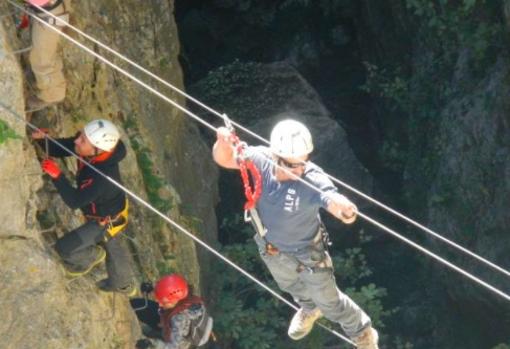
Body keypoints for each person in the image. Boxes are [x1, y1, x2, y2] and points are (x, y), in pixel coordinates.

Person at [212, 119, 379, 348]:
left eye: (303, 162)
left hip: (307, 254)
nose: (299, 169)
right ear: (276, 157)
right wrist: (222, 142)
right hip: (272, 249)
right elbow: (225, 158)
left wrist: (345, 210)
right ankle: (310, 309)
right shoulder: (261, 160)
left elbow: (330, 197)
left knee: (329, 301)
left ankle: (362, 332)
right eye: (292, 166)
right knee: (289, 285)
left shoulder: (311, 178)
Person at [33, 119, 134, 294]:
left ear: (98, 149)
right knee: (111, 244)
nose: (77, 141)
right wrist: (44, 140)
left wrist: (58, 176)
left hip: (105, 221)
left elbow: (75, 201)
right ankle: (122, 282)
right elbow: (65, 147)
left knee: (65, 249)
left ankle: (91, 259)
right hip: (109, 208)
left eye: (83, 140)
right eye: (81, 136)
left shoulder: (102, 178)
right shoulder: (94, 150)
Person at [131, 274, 214, 349]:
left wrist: (151, 344)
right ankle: (153, 330)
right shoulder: (184, 292)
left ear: (174, 301)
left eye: (163, 301)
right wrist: (154, 289)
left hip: (178, 338)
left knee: (151, 335)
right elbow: (169, 289)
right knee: (137, 304)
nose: (159, 303)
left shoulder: (179, 320)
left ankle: (153, 333)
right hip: (171, 317)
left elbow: (173, 346)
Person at [25, 0, 69, 112]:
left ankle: (52, 95)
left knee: (42, 60)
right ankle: (40, 80)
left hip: (50, 14)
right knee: (43, 53)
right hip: (50, 10)